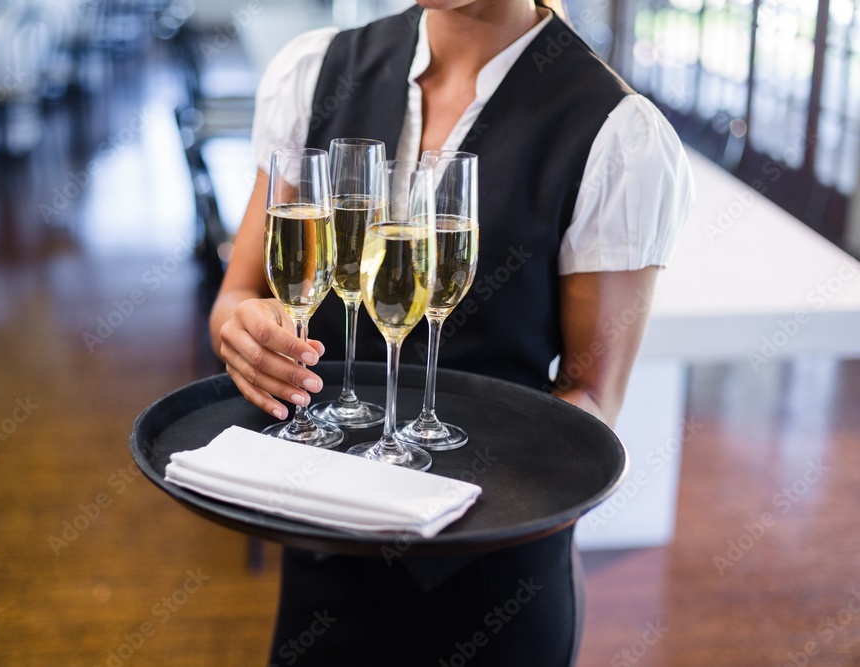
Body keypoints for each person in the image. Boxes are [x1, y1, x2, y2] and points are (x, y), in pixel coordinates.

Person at [209, 1, 693, 664]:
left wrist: (440, 496)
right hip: (324, 557)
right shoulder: (315, 71)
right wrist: (242, 329)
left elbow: (592, 400)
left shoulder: (617, 135)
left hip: (492, 584)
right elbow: (238, 295)